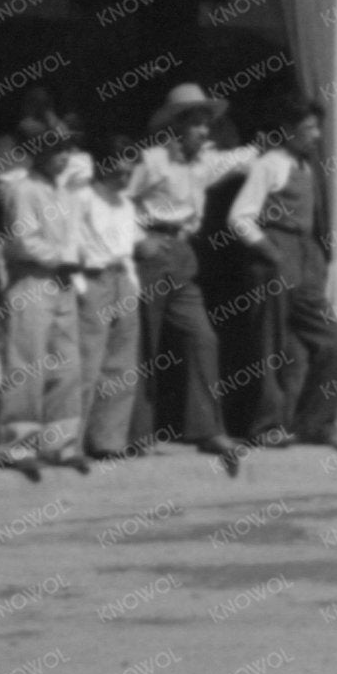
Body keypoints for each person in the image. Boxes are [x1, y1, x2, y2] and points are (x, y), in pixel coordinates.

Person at [227, 99, 337, 457]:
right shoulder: (269, 165)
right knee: (270, 345)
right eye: (310, 128)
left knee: (334, 341)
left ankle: (316, 423)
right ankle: (267, 427)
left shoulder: (307, 167)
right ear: (288, 131)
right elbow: (240, 217)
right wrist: (271, 251)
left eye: (318, 128)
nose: (317, 136)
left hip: (307, 261)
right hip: (275, 259)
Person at [131, 87, 250, 474]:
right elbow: (117, 198)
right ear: (175, 126)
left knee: (202, 337)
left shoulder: (204, 163)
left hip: (183, 253)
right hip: (151, 250)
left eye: (206, 122)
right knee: (144, 341)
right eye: (196, 123)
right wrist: (138, 238)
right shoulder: (151, 161)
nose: (203, 130)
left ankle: (206, 429)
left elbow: (246, 157)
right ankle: (136, 433)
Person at [0, 125, 91, 477]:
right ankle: (16, 446)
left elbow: (76, 237)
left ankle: (60, 444)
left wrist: (75, 259)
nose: (63, 157)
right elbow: (22, 241)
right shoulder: (22, 190)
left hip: (62, 282)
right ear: (38, 153)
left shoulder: (66, 194)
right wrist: (60, 258)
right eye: (56, 150)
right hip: (31, 279)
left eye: (68, 150)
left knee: (67, 363)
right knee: (26, 363)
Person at [75, 140, 146, 461]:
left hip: (122, 279)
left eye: (131, 167)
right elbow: (71, 243)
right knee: (88, 361)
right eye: (120, 166)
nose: (126, 173)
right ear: (103, 166)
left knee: (121, 363)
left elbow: (128, 250)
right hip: (93, 278)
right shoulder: (83, 198)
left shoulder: (127, 205)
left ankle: (108, 440)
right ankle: (71, 442)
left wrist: (132, 285)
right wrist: (80, 286)